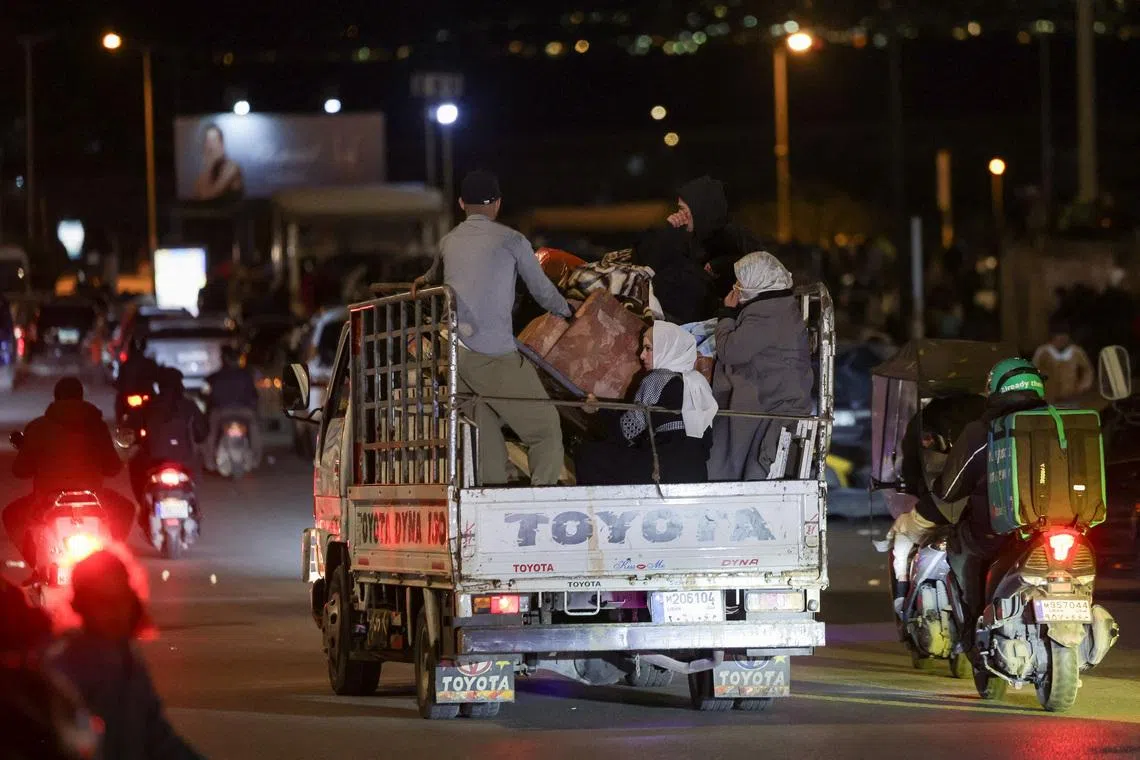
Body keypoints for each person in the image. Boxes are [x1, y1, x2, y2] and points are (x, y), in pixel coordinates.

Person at [418, 170, 572, 486]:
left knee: (484, 431)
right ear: (498, 204)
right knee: (544, 431)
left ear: (462, 203)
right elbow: (543, 292)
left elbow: (431, 278)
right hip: (494, 356)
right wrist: (569, 312)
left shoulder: (448, 241)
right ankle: (542, 499)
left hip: (456, 358)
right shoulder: (512, 240)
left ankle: (492, 499)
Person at [890, 358, 1048, 631]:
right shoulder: (1058, 422)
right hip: (1053, 522)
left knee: (962, 554)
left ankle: (973, 628)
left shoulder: (983, 429)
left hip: (994, 526)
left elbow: (948, 490)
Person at [49, 551, 204, 759]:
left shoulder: (129, 662)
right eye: (102, 601)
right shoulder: (65, 673)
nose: (115, 611)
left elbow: (157, 737)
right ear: (82, 605)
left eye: (121, 598)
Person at [707, 252, 813, 481]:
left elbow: (730, 351)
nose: (736, 287)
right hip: (770, 397)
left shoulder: (766, 313)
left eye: (741, 282)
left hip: (768, 401)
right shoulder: (776, 306)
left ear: (758, 282)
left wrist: (726, 314)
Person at [4, 378, 136, 562]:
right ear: (81, 398)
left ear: (56, 398)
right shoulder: (98, 426)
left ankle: (35, 564)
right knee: (126, 509)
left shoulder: (38, 427)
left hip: (47, 500)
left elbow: (20, 470)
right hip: (93, 499)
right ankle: (112, 561)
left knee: (12, 514)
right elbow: (113, 468)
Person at [576, 322, 717, 485]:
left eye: (648, 349)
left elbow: (626, 431)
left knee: (588, 454)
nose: (642, 355)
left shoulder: (659, 378)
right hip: (696, 471)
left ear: (667, 349)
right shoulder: (699, 382)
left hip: (665, 468)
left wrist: (597, 410)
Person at [129, 369, 207, 510]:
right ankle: (192, 504)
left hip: (154, 461)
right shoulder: (189, 406)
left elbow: (133, 430)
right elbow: (201, 433)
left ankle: (143, 505)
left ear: (159, 386)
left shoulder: (149, 406)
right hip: (185, 460)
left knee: (134, 463)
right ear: (180, 385)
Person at [203, 346, 261, 470]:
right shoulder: (246, 375)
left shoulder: (216, 376)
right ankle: (255, 459)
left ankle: (210, 462)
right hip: (245, 412)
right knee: (254, 428)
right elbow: (255, 396)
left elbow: (209, 396)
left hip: (221, 412)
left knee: (211, 432)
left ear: (224, 359)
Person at [1032, 320, 1093, 404]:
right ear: (1053, 336)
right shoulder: (1043, 352)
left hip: (1071, 398)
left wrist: (1083, 385)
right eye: (1059, 336)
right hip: (1048, 399)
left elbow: (1087, 370)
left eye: (1064, 337)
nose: (1062, 339)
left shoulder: (1076, 352)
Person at [193, 123, 244, 201]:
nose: (211, 146)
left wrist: (210, 164)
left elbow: (208, 196)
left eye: (214, 140)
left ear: (222, 145)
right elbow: (198, 194)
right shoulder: (202, 176)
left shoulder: (232, 168)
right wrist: (208, 165)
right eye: (208, 141)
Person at [115, 335, 161, 419]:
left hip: (145, 398)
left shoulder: (126, 365)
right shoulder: (149, 363)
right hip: (131, 398)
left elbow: (118, 383)